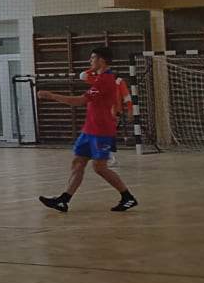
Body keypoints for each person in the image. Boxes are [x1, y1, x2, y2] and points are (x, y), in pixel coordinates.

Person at [37, 47, 138, 214]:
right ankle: (63, 200)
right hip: (89, 129)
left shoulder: (105, 80)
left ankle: (128, 197)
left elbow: (79, 101)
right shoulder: (99, 77)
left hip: (102, 131)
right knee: (78, 163)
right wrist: (92, 69)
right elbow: (84, 75)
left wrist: (52, 96)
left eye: (92, 58)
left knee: (100, 167)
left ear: (101, 60)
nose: (90, 61)